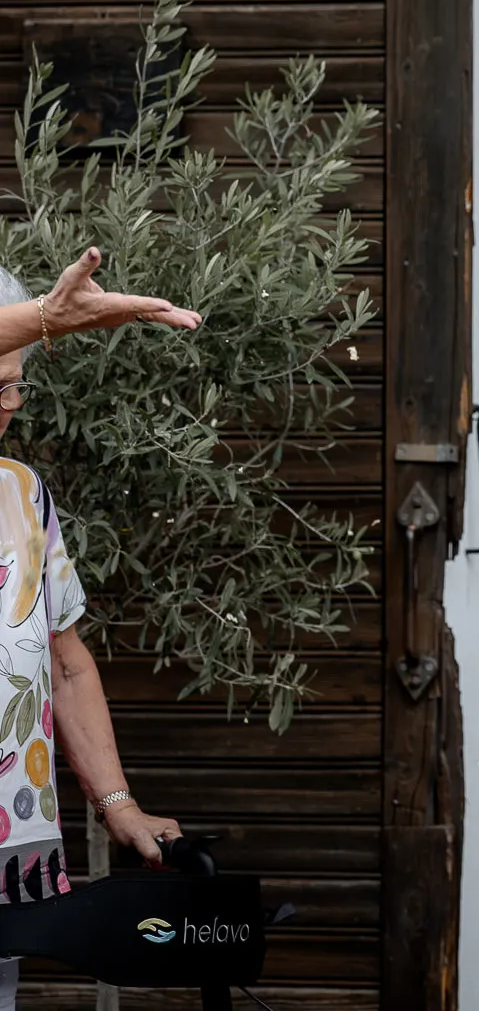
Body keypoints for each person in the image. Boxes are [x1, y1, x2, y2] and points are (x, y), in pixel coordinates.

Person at [0, 252, 200, 1010]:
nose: (13, 402)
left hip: (7, 845)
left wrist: (119, 803)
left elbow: (67, 662)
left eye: (18, 381)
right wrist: (53, 318)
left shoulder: (21, 494)